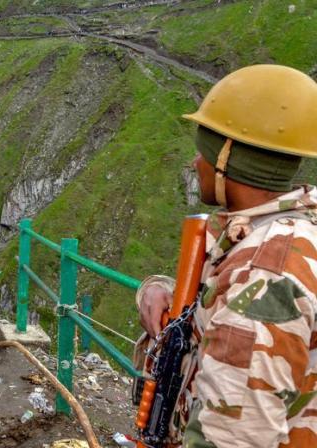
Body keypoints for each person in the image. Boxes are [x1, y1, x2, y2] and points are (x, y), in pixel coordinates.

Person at [135, 65, 317, 447]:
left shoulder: (262, 280)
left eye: (203, 152)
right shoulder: (291, 231)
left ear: (225, 161)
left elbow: (232, 437)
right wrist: (161, 289)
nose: (194, 163)